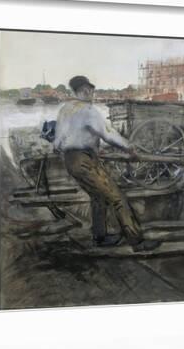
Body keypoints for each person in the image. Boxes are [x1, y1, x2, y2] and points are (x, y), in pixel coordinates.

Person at [53, 75, 160, 252]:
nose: (92, 94)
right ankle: (137, 242)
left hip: (70, 160)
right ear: (85, 90)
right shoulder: (87, 110)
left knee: (98, 197)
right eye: (90, 90)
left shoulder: (65, 109)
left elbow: (59, 142)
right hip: (84, 160)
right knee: (117, 198)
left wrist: (91, 148)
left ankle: (100, 237)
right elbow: (108, 133)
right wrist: (129, 148)